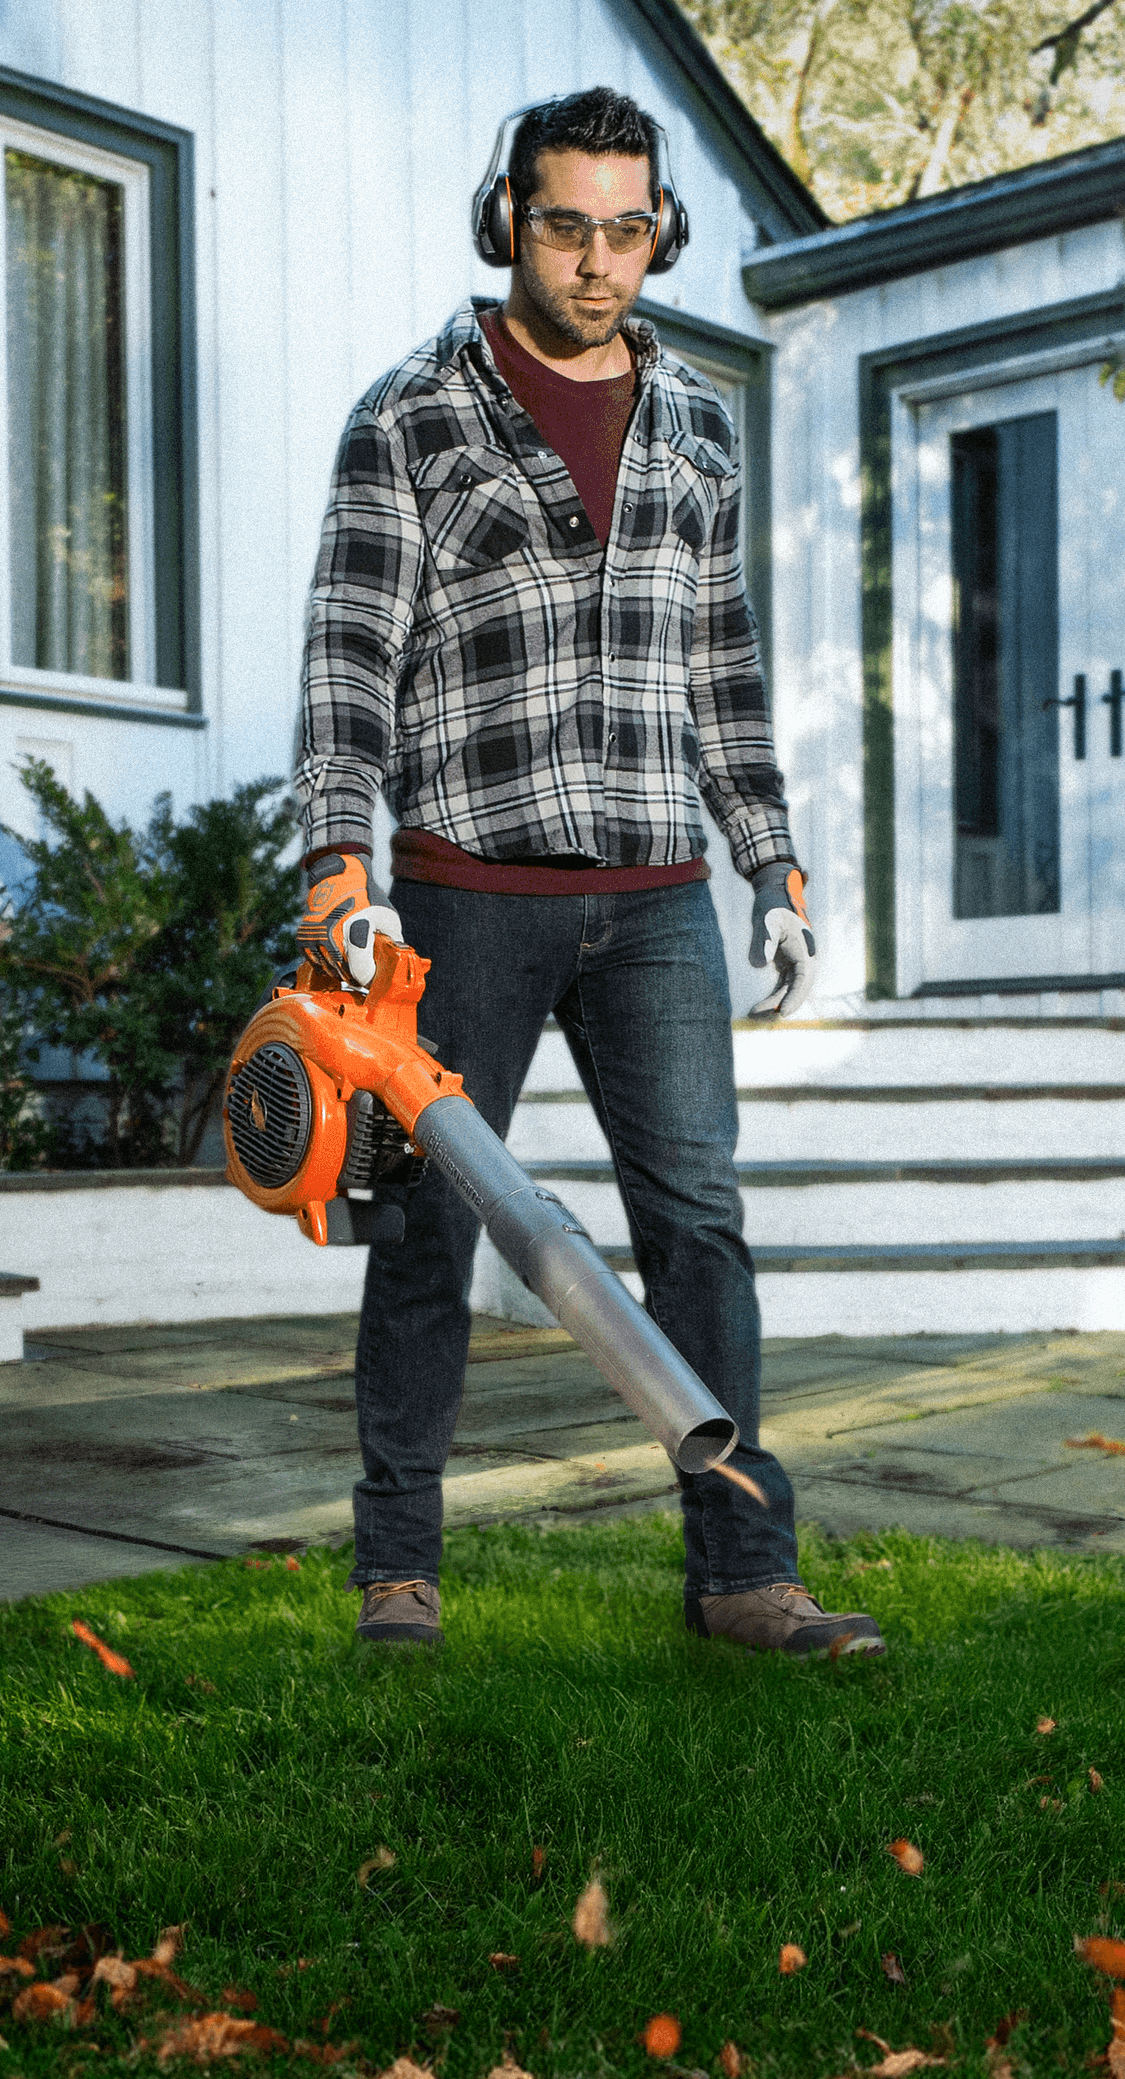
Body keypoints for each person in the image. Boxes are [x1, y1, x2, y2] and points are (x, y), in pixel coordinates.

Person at [290, 86, 883, 1660]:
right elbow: (348, 668)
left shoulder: (696, 422)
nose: (600, 260)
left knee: (700, 1223)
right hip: (466, 888)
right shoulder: (409, 418)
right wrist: (337, 872)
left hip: (655, 899)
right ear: (508, 221)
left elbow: (724, 670)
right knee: (428, 1226)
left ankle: (747, 1573)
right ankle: (398, 1571)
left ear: (662, 231)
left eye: (630, 229)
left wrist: (776, 863)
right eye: (568, 226)